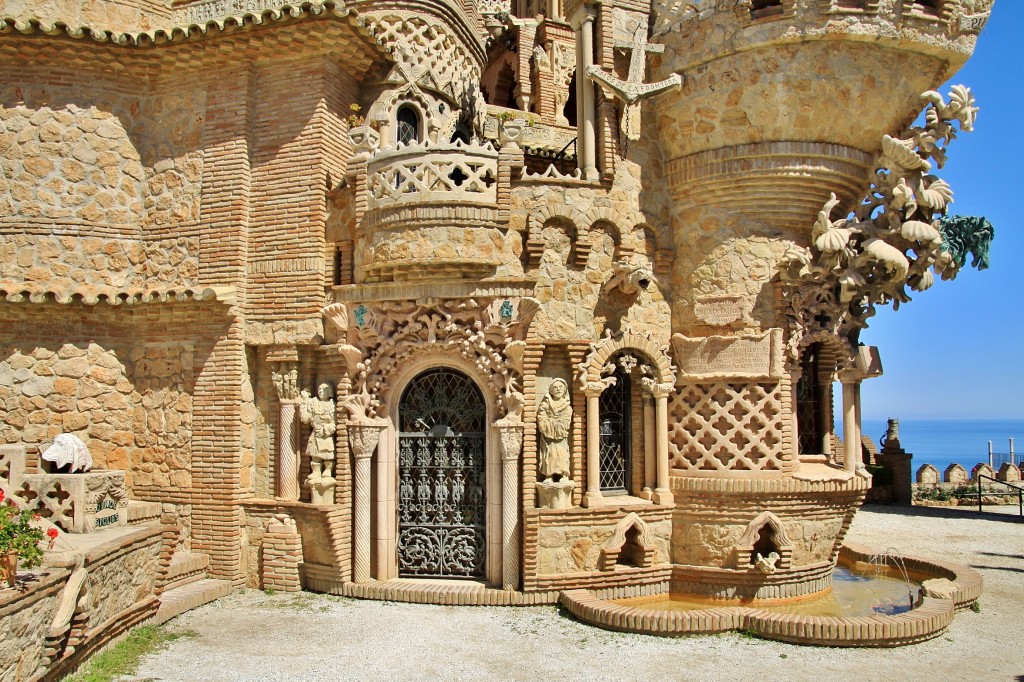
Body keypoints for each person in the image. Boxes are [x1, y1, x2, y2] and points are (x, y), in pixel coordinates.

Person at [299, 383, 336, 481]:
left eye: (323, 389)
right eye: (319, 389)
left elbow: (334, 422)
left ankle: (328, 470)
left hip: (325, 434)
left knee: (327, 454)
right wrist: (304, 403)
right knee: (315, 455)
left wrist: (325, 429)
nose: (320, 391)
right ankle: (316, 471)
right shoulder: (313, 403)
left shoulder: (332, 405)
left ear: (329, 392)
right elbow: (306, 419)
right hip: (315, 433)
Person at [537, 378, 572, 481]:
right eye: (555, 388)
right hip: (548, 439)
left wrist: (552, 422)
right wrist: (552, 424)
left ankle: (564, 474)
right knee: (549, 455)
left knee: (562, 454)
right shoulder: (545, 405)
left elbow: (566, 423)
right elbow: (542, 421)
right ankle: (548, 475)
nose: (558, 389)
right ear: (551, 391)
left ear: (565, 389)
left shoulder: (567, 407)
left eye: (561, 387)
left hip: (561, 438)